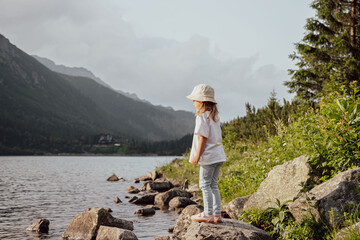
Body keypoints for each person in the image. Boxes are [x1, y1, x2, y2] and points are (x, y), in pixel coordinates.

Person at [186, 84, 226, 223]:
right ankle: (217, 214)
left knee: (205, 185)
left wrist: (197, 155)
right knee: (213, 184)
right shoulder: (214, 117)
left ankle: (207, 213)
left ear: (201, 102)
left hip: (208, 156)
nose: (193, 102)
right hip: (218, 155)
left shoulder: (202, 117)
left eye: (195, 100)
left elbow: (203, 137)